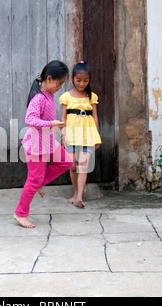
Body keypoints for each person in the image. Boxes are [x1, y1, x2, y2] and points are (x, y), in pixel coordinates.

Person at [14, 60, 73, 228]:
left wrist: (60, 131)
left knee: (66, 161)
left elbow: (49, 121)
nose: (60, 86)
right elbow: (29, 119)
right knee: (33, 180)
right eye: (59, 83)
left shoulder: (50, 97)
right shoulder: (38, 98)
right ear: (49, 79)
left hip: (48, 142)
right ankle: (20, 213)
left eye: (62, 83)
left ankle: (40, 182)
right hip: (36, 145)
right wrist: (51, 124)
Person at [60, 61, 102, 208]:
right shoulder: (66, 97)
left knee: (83, 165)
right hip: (71, 136)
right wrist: (63, 135)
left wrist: (96, 136)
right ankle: (75, 192)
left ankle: (79, 197)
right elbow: (63, 119)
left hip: (87, 136)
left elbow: (95, 117)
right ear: (72, 78)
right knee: (72, 165)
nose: (82, 84)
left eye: (85, 81)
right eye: (79, 80)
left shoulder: (91, 97)